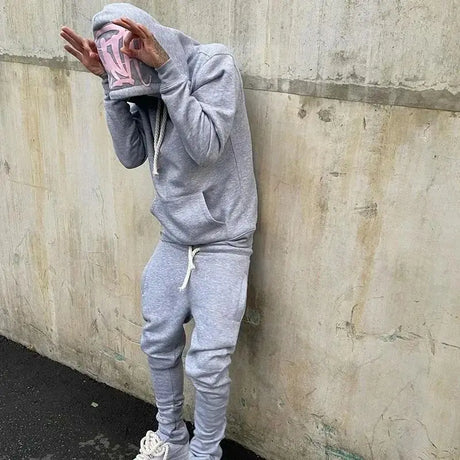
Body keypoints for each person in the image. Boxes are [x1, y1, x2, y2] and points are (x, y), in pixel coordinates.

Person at [60, 3, 258, 460]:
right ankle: (171, 439)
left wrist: (167, 71)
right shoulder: (143, 89)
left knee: (208, 363)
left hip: (224, 239)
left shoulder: (214, 64)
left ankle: (204, 454)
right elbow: (131, 155)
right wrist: (109, 85)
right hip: (174, 236)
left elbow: (207, 147)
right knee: (157, 341)